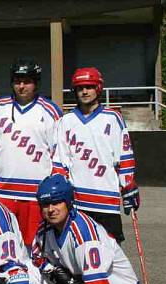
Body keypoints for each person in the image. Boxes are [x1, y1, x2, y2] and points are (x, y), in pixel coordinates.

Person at [31, 174, 144, 284]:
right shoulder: (44, 229)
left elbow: (96, 278)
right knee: (32, 275)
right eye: (45, 204)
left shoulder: (85, 234)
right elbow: (36, 255)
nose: (51, 209)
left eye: (56, 202)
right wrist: (54, 271)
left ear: (68, 202)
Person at [0, 58, 61, 248]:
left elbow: (60, 156)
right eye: (17, 81)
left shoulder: (51, 111)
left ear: (36, 83)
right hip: (1, 193)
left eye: (27, 81)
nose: (21, 86)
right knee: (0, 244)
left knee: (35, 248)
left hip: (35, 196)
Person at [52, 67, 139, 243]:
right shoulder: (65, 121)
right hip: (77, 201)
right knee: (80, 250)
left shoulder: (113, 118)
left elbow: (125, 156)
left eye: (89, 86)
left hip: (107, 200)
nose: (84, 91)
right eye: (79, 87)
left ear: (98, 88)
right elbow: (59, 161)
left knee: (112, 253)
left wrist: (128, 186)